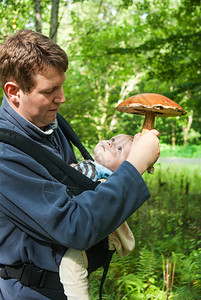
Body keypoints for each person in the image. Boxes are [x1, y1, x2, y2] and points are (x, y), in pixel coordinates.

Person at [0, 29, 160, 300]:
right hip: (28, 292)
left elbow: (81, 193)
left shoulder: (51, 126)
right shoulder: (5, 155)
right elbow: (74, 226)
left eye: (61, 85)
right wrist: (134, 167)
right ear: (14, 92)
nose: (62, 98)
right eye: (50, 90)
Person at [60, 134, 135, 299]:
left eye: (119, 149)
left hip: (92, 238)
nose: (111, 143)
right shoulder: (92, 167)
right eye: (113, 140)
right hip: (74, 227)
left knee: (70, 266)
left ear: (123, 169)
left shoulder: (107, 180)